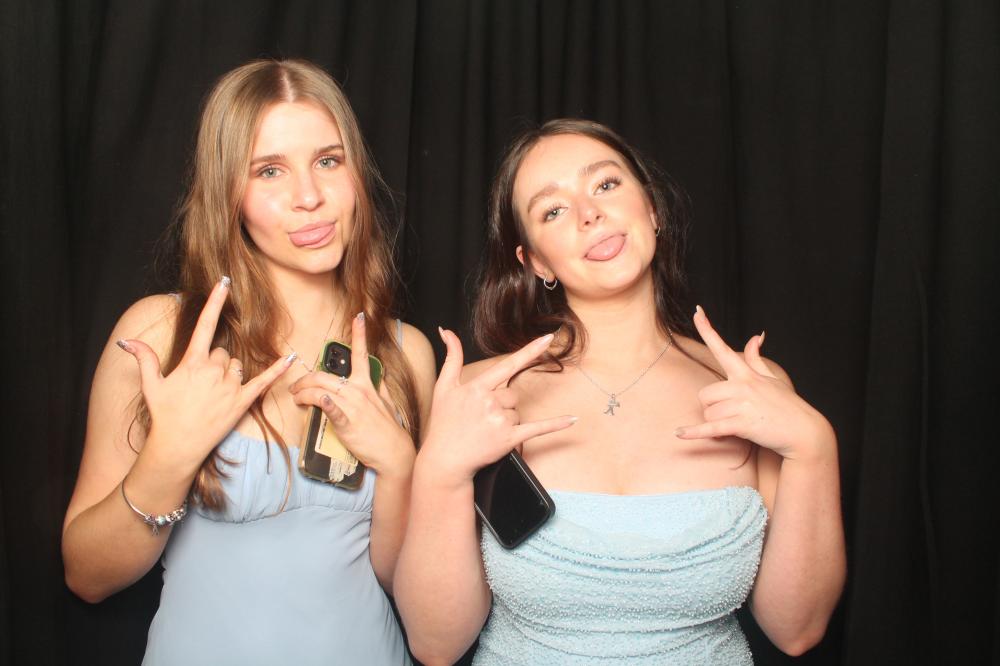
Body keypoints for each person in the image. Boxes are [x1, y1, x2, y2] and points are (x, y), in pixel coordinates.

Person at [395, 119, 846, 664]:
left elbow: (797, 630)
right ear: (535, 261)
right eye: (552, 210)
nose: (589, 213)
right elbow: (436, 645)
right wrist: (440, 472)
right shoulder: (481, 395)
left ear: (652, 208)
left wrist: (814, 446)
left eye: (605, 184)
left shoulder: (753, 388)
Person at [62, 59, 435, 665]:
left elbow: (406, 585)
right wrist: (169, 456)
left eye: (328, 161)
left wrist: (398, 465)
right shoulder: (162, 334)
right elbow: (87, 576)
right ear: (228, 194)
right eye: (269, 171)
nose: (309, 197)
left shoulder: (405, 353)